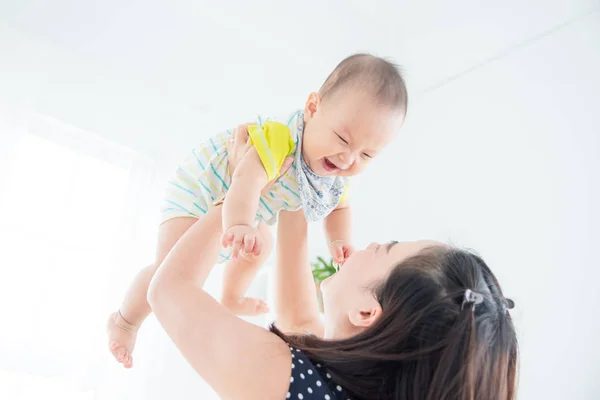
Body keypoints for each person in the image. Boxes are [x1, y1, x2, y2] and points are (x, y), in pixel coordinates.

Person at [138, 131, 518, 399]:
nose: (369, 244)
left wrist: (238, 192)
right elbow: (300, 323)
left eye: (385, 249)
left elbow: (169, 290)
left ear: (368, 311)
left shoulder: (283, 380)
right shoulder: (326, 387)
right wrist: (297, 185)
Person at [106, 53, 408, 368]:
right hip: (202, 191)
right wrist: (237, 223)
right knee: (169, 268)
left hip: (250, 208)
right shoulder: (280, 140)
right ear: (313, 108)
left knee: (260, 247)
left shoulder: (332, 178)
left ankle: (231, 296)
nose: (348, 158)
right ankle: (124, 320)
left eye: (367, 155)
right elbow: (246, 180)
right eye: (342, 138)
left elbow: (339, 208)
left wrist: (338, 241)